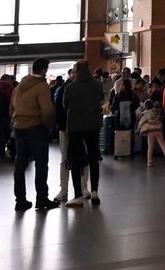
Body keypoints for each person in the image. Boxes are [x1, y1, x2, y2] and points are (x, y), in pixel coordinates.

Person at [10, 58, 58, 212]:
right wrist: (48, 125)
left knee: (20, 164)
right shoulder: (42, 86)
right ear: (44, 70)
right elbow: (48, 110)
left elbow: (11, 107)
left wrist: (16, 120)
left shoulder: (19, 86)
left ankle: (20, 200)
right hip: (36, 128)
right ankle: (41, 198)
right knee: (41, 164)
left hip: (19, 127)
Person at [63, 60, 104, 207]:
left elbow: (65, 104)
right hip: (93, 126)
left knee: (76, 160)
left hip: (75, 127)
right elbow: (102, 99)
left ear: (76, 71)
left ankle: (78, 195)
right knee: (93, 158)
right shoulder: (97, 84)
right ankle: (94, 191)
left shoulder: (70, 87)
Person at [137, 95, 165, 166]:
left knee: (150, 147)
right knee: (163, 144)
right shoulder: (156, 112)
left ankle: (149, 161)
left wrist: (138, 129)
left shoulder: (145, 114)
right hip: (159, 130)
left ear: (145, 107)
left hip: (150, 131)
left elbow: (141, 123)